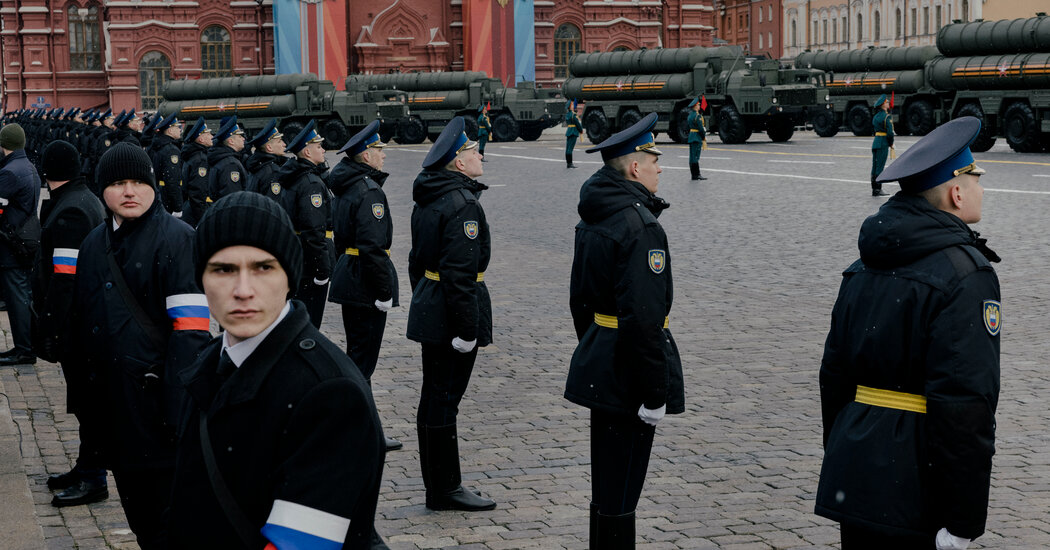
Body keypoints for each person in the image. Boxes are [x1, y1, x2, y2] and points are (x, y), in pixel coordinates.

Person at [816, 117, 1000, 550]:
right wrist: (964, 518)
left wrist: (845, 453)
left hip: (858, 470)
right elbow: (965, 402)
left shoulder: (861, 267)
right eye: (976, 178)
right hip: (918, 481)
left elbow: (833, 377)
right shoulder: (966, 274)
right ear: (957, 192)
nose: (980, 188)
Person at [166, 191, 387, 550]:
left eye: (263, 268)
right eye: (223, 269)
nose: (242, 290)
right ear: (200, 280)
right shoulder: (209, 362)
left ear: (289, 277)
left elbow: (298, 544)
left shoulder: (330, 393)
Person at [70, 142, 211, 548]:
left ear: (152, 185)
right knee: (141, 519)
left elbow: (191, 334)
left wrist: (176, 412)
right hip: (114, 412)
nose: (129, 191)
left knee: (172, 524)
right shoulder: (94, 243)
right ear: (102, 190)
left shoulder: (179, 240)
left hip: (159, 415)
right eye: (117, 183)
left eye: (137, 182)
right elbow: (82, 328)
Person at [564, 112, 684, 549]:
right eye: (654, 161)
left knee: (607, 483)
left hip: (602, 354)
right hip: (630, 369)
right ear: (635, 167)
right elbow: (644, 319)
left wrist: (597, 343)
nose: (659, 168)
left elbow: (579, 299)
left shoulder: (598, 213)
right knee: (624, 487)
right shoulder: (641, 227)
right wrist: (656, 391)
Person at [407, 116, 496, 511]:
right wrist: (467, 328)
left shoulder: (431, 196)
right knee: (445, 398)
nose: (479, 156)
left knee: (434, 396)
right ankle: (444, 488)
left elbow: (416, 261)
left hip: (431, 302)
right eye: (473, 152)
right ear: (459, 163)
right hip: (450, 311)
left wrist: (425, 298)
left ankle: (439, 485)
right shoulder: (462, 204)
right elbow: (461, 274)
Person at [32, 141, 108, 506]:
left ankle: (94, 478)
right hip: (86, 320)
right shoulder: (84, 198)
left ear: (47, 172)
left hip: (78, 324)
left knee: (89, 402)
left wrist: (49, 330)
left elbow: (64, 280)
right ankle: (85, 466)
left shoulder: (70, 212)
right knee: (86, 400)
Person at [327, 120, 402, 452]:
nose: (384, 156)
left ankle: (359, 426)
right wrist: (384, 291)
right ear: (365, 155)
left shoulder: (346, 186)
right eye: (379, 150)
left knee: (358, 355)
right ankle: (362, 429)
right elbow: (373, 248)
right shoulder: (369, 191)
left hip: (350, 275)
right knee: (362, 361)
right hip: (364, 282)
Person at [272, 120, 333, 328]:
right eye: (318, 146)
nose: (323, 150)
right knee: (310, 322)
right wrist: (322, 270)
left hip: (296, 257)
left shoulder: (294, 177)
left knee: (296, 319)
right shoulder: (311, 183)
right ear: (307, 152)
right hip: (309, 264)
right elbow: (314, 230)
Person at [0, 123, 41, 366]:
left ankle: (25, 350)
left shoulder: (9, 172)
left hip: (10, 243)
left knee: (17, 298)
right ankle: (23, 346)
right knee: (22, 294)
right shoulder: (27, 166)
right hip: (24, 239)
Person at [149, 113, 184, 217]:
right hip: (167, 199)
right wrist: (177, 207)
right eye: (177, 127)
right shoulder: (171, 150)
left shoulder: (158, 145)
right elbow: (172, 179)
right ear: (170, 130)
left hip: (159, 194)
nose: (180, 129)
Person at [180, 117, 213, 227]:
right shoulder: (200, 159)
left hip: (190, 207)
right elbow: (198, 191)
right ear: (201, 139)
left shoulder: (193, 155)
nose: (212, 137)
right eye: (208, 134)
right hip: (196, 211)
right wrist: (202, 219)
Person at [207, 116, 247, 205]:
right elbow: (232, 199)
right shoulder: (230, 164)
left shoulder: (223, 159)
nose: (243, 139)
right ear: (231, 141)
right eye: (240, 136)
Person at [244, 118, 285, 194]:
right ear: (269, 148)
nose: (284, 144)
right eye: (279, 141)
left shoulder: (258, 166)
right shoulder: (272, 172)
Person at [870, 94, 894, 197]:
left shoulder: (876, 117)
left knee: (874, 166)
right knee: (880, 167)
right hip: (883, 142)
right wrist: (891, 143)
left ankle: (874, 188)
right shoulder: (887, 117)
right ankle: (878, 189)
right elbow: (890, 133)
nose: (889, 103)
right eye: (887, 102)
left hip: (876, 142)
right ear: (883, 105)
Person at [687, 96, 708, 181]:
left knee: (692, 157)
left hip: (691, 136)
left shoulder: (690, 116)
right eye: (698, 105)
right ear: (695, 106)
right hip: (697, 137)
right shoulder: (697, 116)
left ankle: (693, 175)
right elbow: (700, 128)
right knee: (696, 156)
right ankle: (697, 174)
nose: (699, 106)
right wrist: (703, 136)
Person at [565, 99, 581, 169]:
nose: (573, 106)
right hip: (574, 131)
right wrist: (581, 130)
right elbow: (577, 124)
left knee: (568, 148)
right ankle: (570, 164)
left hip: (569, 131)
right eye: (572, 105)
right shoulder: (573, 115)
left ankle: (568, 163)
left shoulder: (568, 114)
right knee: (570, 149)